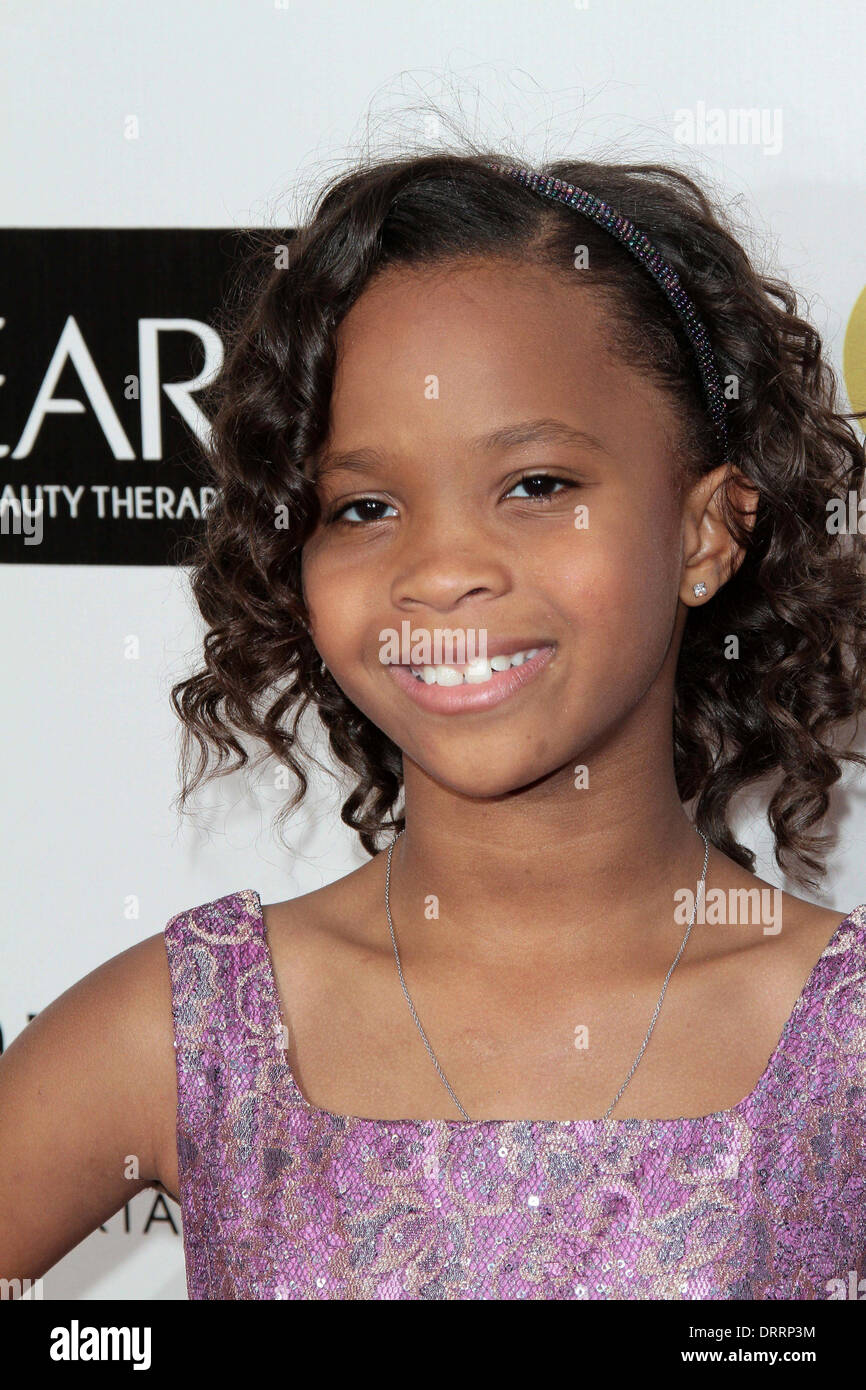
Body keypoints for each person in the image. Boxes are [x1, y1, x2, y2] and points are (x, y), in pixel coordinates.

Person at [2, 150, 866, 1301]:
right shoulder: (187, 1032)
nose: (442, 570)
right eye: (363, 507)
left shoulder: (844, 1053)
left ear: (704, 533)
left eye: (536, 485)